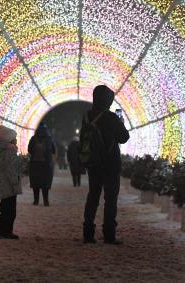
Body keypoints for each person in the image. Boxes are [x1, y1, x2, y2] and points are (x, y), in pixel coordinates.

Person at [81, 85, 130, 245]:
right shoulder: (110, 117)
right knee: (110, 200)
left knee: (93, 197)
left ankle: (88, 233)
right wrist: (121, 123)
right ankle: (109, 234)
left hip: (93, 164)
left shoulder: (87, 116)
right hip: (110, 164)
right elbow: (123, 137)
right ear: (108, 100)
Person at [0, 126, 22, 239]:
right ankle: (5, 232)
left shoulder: (4, 151)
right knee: (10, 210)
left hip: (4, 184)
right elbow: (11, 169)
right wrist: (15, 183)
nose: (16, 140)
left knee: (5, 209)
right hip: (9, 185)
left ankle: (3, 232)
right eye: (14, 138)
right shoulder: (10, 152)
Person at [28, 122, 56, 206]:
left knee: (35, 182)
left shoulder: (33, 138)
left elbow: (29, 149)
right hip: (46, 164)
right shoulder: (49, 139)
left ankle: (36, 201)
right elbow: (53, 150)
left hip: (34, 164)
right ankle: (46, 201)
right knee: (45, 183)